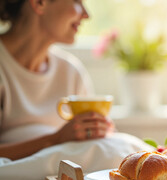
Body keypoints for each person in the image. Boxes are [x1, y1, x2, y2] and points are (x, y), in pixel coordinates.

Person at [0, 0, 114, 161]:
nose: (86, 15)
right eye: (76, 1)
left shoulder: (70, 71)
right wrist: (54, 139)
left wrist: (99, 130)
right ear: (40, 3)